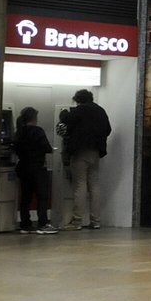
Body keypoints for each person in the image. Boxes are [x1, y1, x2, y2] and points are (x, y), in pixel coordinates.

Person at [60, 89, 112, 231]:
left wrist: (64, 116)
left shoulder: (79, 110)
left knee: (80, 185)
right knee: (94, 185)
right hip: (95, 153)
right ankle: (96, 221)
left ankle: (77, 221)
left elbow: (64, 126)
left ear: (78, 100)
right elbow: (108, 129)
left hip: (80, 152)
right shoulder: (101, 111)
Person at [13, 107, 59, 234]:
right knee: (42, 196)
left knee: (26, 197)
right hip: (37, 167)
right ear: (34, 118)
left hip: (23, 167)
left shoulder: (19, 132)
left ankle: (25, 224)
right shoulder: (38, 131)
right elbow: (46, 147)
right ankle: (42, 224)